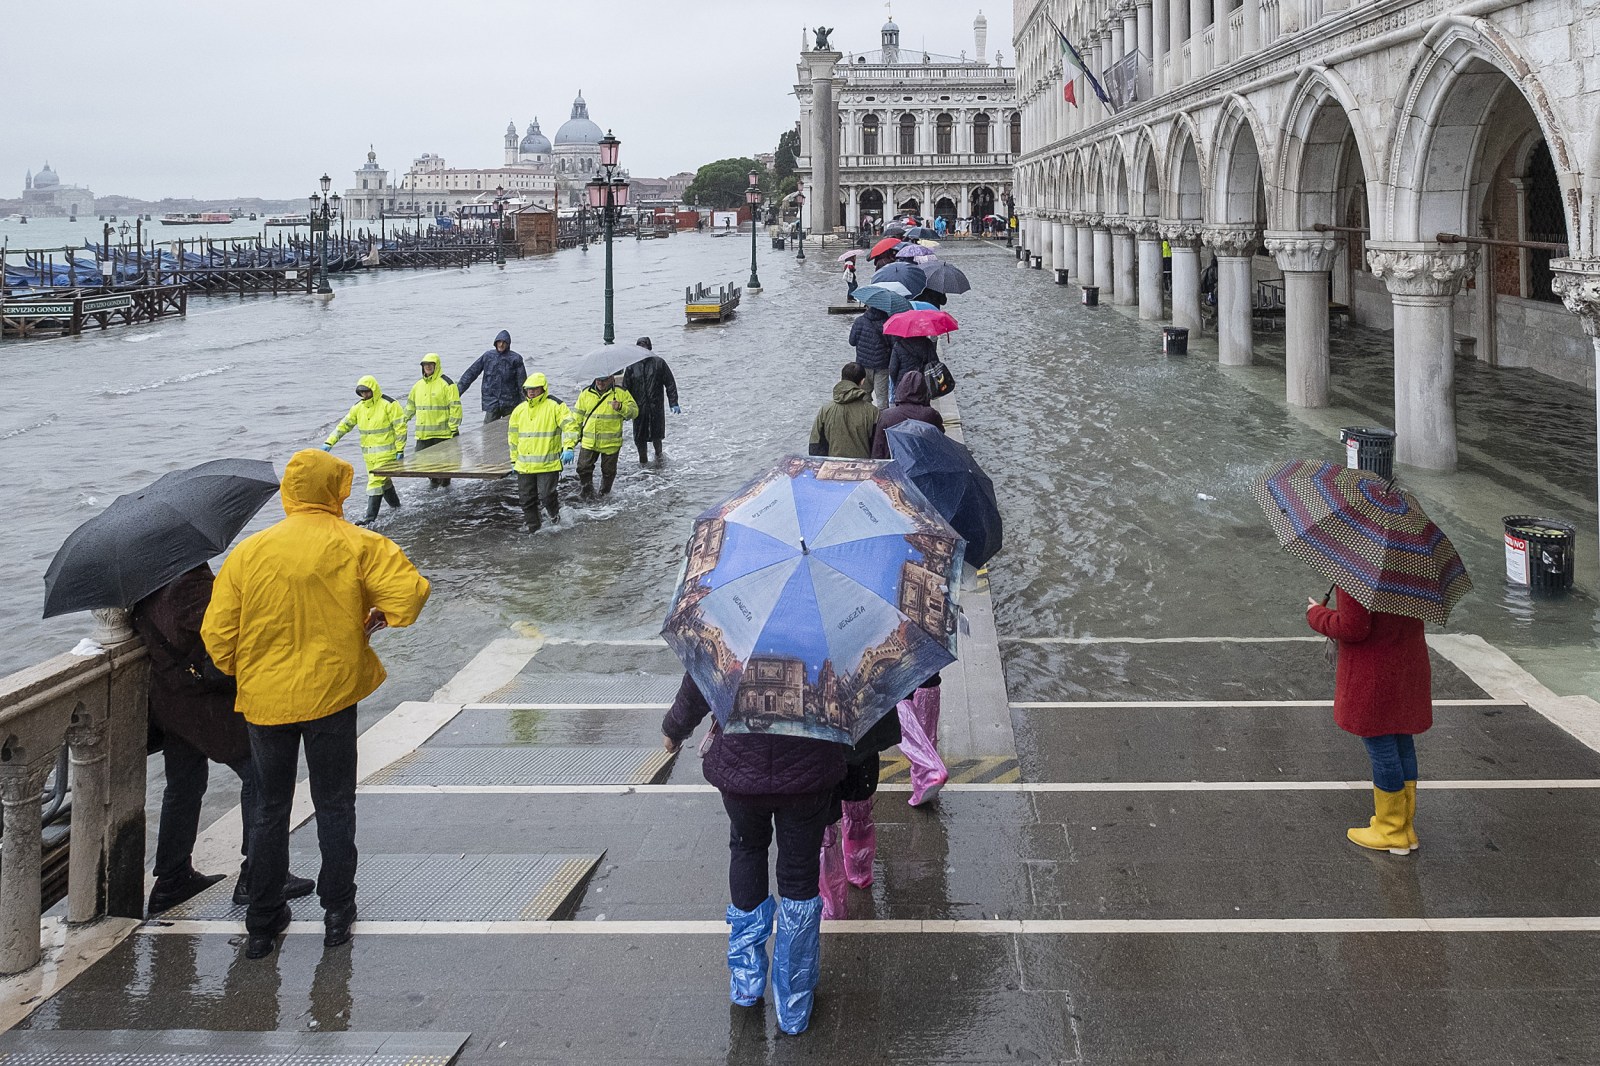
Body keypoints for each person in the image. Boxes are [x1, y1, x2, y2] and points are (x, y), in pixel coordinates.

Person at [203, 449, 430, 960]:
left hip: (266, 702)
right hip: (331, 695)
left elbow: (217, 637)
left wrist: (253, 672)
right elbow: (410, 596)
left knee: (268, 809)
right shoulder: (357, 543)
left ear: (288, 492)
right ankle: (336, 912)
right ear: (337, 490)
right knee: (334, 804)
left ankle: (262, 922)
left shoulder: (249, 552)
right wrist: (376, 617)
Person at [661, 674, 845, 1036]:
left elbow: (699, 680)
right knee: (799, 875)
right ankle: (794, 1001)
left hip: (741, 768)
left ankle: (746, 981)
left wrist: (674, 729)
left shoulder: (736, 625)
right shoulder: (824, 634)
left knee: (746, 850)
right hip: (807, 771)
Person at [134, 565, 313, 916]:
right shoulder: (186, 577)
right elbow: (221, 632)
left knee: (183, 787)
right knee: (260, 774)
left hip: (170, 700)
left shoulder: (142, 581)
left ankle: (171, 880)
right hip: (205, 702)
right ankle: (257, 874)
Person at [1305, 587, 1431, 854]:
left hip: (1375, 671)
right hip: (1407, 663)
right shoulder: (1409, 563)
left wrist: (1317, 615)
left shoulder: (1359, 570)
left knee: (1381, 744)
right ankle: (1405, 826)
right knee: (1402, 740)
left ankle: (1390, 829)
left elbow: (1353, 627)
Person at [819, 707, 900, 918]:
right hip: (861, 726)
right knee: (857, 792)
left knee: (824, 814)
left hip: (821, 739)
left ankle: (832, 902)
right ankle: (859, 869)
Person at [323, 376, 407, 527]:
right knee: (384, 481)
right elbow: (344, 425)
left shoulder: (389, 404)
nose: (365, 395)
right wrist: (329, 442)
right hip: (369, 456)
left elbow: (400, 428)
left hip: (386, 454)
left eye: (367, 392)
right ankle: (396, 507)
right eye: (361, 393)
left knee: (375, 483)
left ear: (373, 390)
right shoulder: (358, 408)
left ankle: (369, 519)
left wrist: (400, 449)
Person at [507, 373, 578, 531]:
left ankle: (554, 518)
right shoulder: (519, 411)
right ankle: (534, 529)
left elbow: (571, 427)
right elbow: (513, 439)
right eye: (528, 389)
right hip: (524, 466)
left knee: (547, 496)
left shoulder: (555, 406)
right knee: (526, 500)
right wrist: (513, 461)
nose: (531, 392)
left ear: (543, 389)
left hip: (548, 464)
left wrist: (569, 447)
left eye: (535, 389)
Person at [574, 372, 639, 498]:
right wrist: (571, 442)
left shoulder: (621, 393)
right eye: (598, 379)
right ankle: (588, 493)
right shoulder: (586, 393)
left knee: (608, 472)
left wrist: (621, 407)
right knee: (583, 468)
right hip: (589, 441)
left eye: (603, 380)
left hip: (611, 443)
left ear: (611, 378)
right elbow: (576, 419)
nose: (600, 382)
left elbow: (634, 412)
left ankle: (604, 494)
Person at [403, 354, 462, 489]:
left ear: (437, 365)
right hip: (424, 435)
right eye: (425, 364)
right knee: (423, 465)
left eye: (431, 364)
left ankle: (446, 487)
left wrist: (453, 428)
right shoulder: (418, 386)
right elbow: (410, 407)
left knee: (446, 467)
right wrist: (402, 421)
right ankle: (434, 483)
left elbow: (455, 407)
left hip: (443, 434)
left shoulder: (447, 384)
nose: (428, 367)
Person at [620, 337, 680, 466]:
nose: (642, 350)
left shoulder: (659, 363)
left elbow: (670, 383)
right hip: (638, 409)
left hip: (656, 407)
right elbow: (624, 390)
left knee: (657, 436)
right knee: (640, 437)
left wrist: (673, 402)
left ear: (650, 349)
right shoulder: (631, 367)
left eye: (645, 347)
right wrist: (623, 409)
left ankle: (659, 458)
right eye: (640, 348)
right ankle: (643, 462)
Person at [870, 369, 945, 459]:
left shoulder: (886, 415)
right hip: (923, 461)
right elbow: (940, 438)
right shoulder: (930, 415)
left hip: (894, 464)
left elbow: (878, 448)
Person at [455, 330, 528, 423]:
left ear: (508, 344)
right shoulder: (488, 356)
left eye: (504, 342)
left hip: (510, 402)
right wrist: (457, 392)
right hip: (491, 402)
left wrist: (525, 403)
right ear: (495, 343)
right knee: (487, 429)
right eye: (499, 342)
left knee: (512, 426)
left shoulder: (515, 359)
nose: (501, 345)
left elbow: (522, 383)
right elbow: (471, 373)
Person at [808, 363, 877, 459]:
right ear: (862, 381)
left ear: (841, 379)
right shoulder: (872, 411)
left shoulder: (825, 410)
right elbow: (878, 446)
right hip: (862, 468)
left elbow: (816, 444)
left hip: (832, 467)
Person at [848, 306, 893, 409]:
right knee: (882, 398)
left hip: (862, 367)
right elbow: (893, 344)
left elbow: (852, 342)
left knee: (864, 396)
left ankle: (866, 420)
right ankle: (882, 422)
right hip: (882, 366)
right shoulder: (888, 322)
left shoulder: (859, 321)